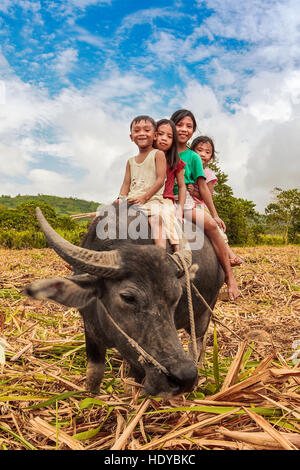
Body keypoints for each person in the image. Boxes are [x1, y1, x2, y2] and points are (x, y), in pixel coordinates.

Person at [170, 109, 240, 301]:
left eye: (189, 126)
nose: (184, 129)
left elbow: (202, 185)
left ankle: (229, 277)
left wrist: (215, 215)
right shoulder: (162, 149)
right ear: (171, 125)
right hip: (162, 199)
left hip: (185, 202)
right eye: (180, 124)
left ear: (192, 131)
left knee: (210, 225)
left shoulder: (193, 157)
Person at [117, 115, 179, 251]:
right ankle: (86, 256)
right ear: (131, 136)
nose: (142, 133)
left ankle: (161, 255)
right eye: (137, 130)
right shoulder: (130, 161)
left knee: (155, 220)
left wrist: (144, 198)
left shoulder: (158, 154)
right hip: (132, 201)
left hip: (152, 200)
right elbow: (126, 184)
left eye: (146, 130)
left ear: (155, 135)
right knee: (104, 218)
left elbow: (160, 179)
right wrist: (121, 199)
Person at [190, 136, 243, 266]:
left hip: (199, 205)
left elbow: (207, 195)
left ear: (211, 157)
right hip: (185, 202)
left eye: (207, 152)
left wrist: (194, 192)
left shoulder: (208, 174)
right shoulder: (187, 168)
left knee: (215, 230)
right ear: (192, 151)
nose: (203, 154)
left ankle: (230, 256)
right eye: (199, 150)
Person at [154, 118, 187, 253]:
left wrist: (180, 209)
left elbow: (182, 186)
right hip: (146, 197)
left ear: (174, 141)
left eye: (169, 136)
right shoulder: (147, 157)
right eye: (161, 134)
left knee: (167, 215)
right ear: (154, 135)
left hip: (164, 199)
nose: (164, 139)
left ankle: (177, 249)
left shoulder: (176, 161)